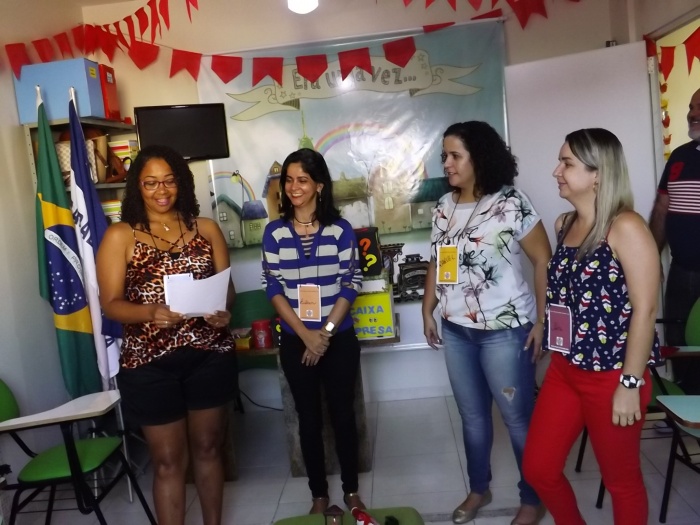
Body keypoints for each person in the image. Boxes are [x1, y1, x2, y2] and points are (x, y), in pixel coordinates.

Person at [522, 129, 660, 525]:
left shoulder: (626, 227)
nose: (556, 171)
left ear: (597, 174)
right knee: (539, 469)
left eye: (566, 163)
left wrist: (630, 384)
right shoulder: (564, 223)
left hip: (614, 375)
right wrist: (544, 326)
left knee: (622, 482)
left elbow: (645, 310)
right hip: (566, 370)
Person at [96, 145, 238, 525]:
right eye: (150, 183)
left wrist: (224, 311)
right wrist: (150, 312)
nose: (161, 190)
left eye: (169, 181)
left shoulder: (206, 229)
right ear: (137, 187)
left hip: (209, 354)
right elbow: (110, 304)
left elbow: (227, 289)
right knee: (168, 461)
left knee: (208, 449)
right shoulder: (120, 236)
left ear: (181, 183)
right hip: (149, 363)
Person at [422, 121, 551, 525]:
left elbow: (543, 260)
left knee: (517, 419)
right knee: (473, 417)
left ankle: (532, 497)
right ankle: (479, 488)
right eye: (444, 156)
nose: (446, 163)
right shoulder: (443, 206)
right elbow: (437, 261)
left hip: (505, 332)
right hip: (457, 330)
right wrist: (428, 309)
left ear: (479, 157)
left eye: (454, 155)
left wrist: (542, 320)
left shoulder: (511, 201)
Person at [261, 148, 365, 514]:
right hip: (296, 340)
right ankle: (319, 494)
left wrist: (325, 333)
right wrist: (306, 335)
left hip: (338, 339)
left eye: (302, 180)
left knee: (343, 416)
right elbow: (273, 286)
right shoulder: (275, 233)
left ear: (319, 185)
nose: (293, 187)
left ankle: (351, 490)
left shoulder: (340, 230)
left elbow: (351, 283)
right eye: (288, 180)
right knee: (308, 419)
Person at [649, 87, 700, 394]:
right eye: (691, 107)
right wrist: (649, 257)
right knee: (679, 343)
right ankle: (686, 405)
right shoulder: (679, 157)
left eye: (699, 107)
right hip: (682, 273)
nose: (692, 114)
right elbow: (661, 209)